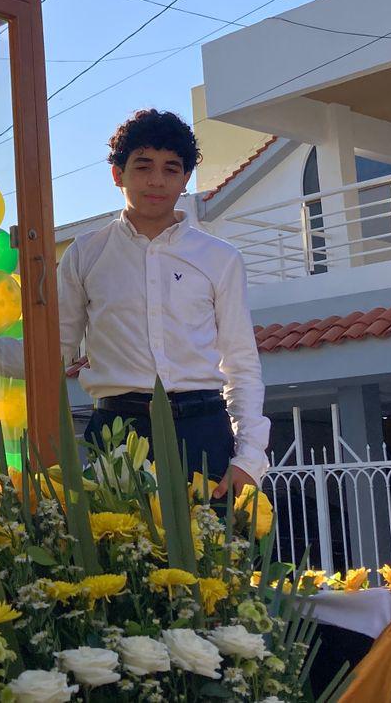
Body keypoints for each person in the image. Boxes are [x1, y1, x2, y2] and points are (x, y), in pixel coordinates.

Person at [58, 109, 269, 497]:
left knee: (211, 556)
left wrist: (250, 457)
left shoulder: (220, 258)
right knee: (119, 556)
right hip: (116, 432)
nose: (157, 180)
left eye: (171, 169)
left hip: (202, 431)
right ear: (117, 174)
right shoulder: (86, 254)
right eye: (143, 166)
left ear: (186, 178)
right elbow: (54, 351)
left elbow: (241, 362)